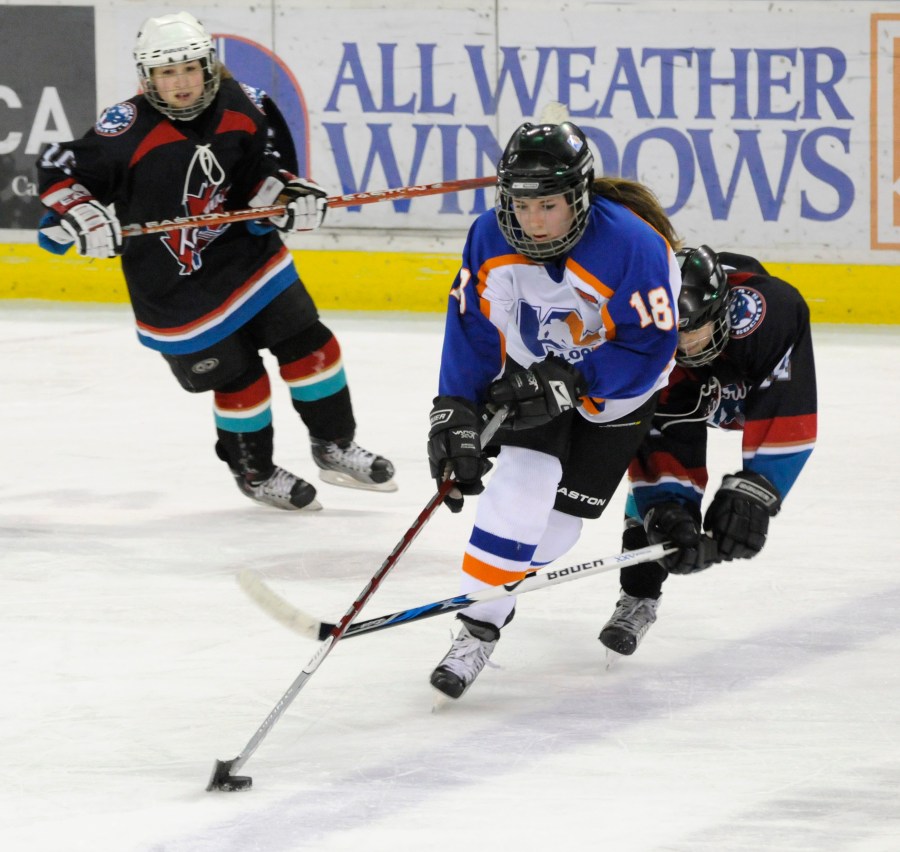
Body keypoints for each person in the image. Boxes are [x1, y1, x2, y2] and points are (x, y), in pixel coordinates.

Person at [35, 11, 395, 511]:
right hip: (175, 287)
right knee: (240, 378)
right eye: (166, 72)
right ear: (147, 76)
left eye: (189, 68)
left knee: (312, 346)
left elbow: (267, 172)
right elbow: (59, 165)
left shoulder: (247, 103)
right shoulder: (126, 127)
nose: (180, 82)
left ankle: (334, 445)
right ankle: (255, 472)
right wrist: (79, 212)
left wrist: (286, 196)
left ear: (208, 65)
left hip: (249, 262)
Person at [425, 119, 683, 700]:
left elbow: (650, 347)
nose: (533, 222)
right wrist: (455, 409)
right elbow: (472, 327)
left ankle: (497, 582)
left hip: (618, 392)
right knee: (521, 483)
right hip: (530, 379)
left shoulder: (634, 244)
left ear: (578, 198)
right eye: (522, 205)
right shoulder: (488, 236)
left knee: (561, 524)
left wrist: (578, 377)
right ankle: (479, 627)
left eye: (548, 206)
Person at [598, 245, 817, 657]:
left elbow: (787, 410)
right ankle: (639, 594)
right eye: (674, 332)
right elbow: (661, 439)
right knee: (655, 497)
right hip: (686, 391)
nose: (684, 344)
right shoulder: (648, 341)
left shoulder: (764, 317)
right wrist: (666, 510)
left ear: (722, 309)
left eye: (694, 328)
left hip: (742, 388)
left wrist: (755, 491)